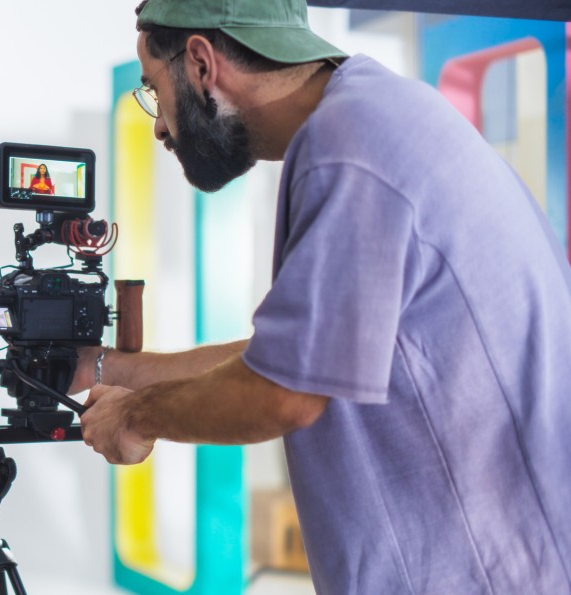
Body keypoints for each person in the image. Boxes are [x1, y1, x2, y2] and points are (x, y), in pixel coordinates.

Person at [75, 1, 571, 593]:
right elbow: (298, 357)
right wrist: (115, 369)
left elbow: (282, 394)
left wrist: (134, 415)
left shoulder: (348, 145)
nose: (158, 125)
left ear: (202, 63)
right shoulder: (381, 110)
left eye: (154, 90)